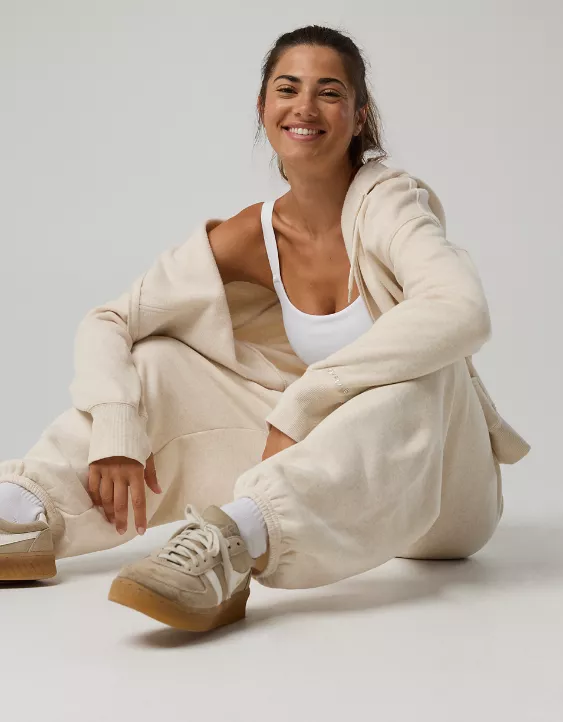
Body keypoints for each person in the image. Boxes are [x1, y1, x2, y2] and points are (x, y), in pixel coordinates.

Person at [0, 25, 530, 633]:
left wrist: (306, 400)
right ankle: (25, 510)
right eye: (287, 89)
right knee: (158, 364)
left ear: (359, 116)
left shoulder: (390, 204)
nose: (305, 107)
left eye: (329, 92)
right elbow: (111, 320)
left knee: (420, 370)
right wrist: (117, 428)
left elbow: (460, 308)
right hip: (322, 476)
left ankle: (236, 542)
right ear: (263, 108)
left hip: (437, 496)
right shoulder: (254, 234)